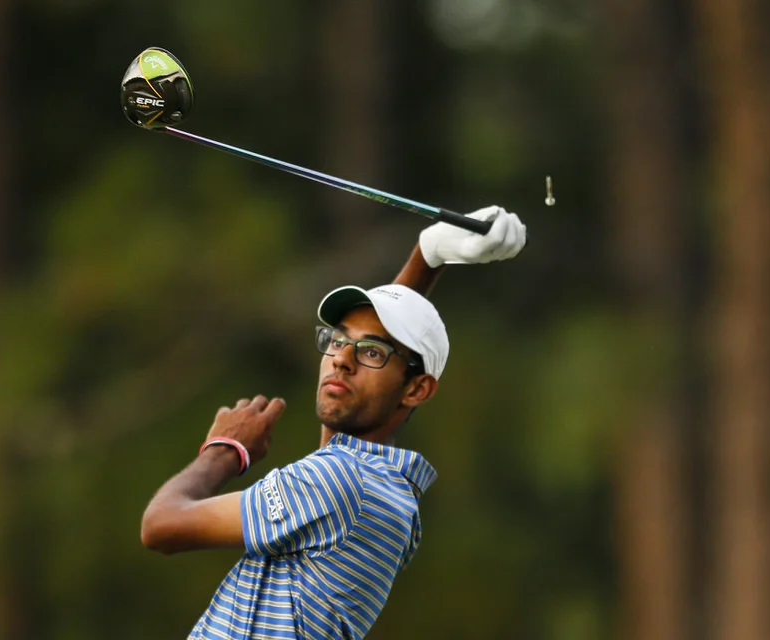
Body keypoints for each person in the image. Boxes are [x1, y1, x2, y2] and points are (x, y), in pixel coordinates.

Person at [140, 206, 527, 639]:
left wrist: (226, 451)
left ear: (417, 390)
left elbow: (161, 527)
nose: (342, 358)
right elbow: (386, 360)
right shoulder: (381, 486)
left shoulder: (340, 481)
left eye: (370, 353)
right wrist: (428, 253)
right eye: (338, 340)